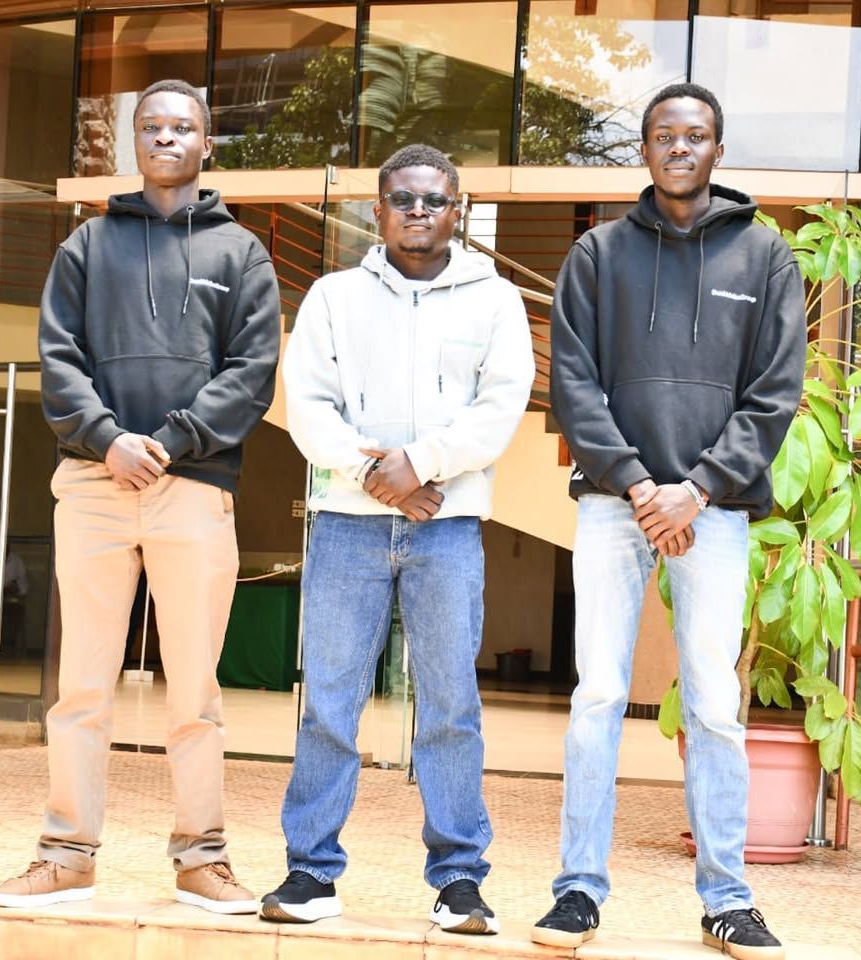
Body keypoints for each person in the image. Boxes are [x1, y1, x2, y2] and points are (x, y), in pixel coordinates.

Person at [0, 78, 281, 912]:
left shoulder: (242, 253)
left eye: (179, 126)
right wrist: (109, 439)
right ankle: (65, 854)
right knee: (82, 685)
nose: (164, 137)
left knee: (194, 693)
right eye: (150, 125)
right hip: (92, 484)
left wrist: (174, 439)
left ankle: (202, 859)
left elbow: (251, 374)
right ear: (135, 143)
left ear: (205, 143)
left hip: (193, 489)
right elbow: (58, 358)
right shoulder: (87, 244)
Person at [532, 83, 805, 959]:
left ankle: (726, 898)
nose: (678, 147)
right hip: (616, 507)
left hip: (714, 513)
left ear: (717, 152)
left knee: (716, 705)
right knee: (598, 696)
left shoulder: (765, 257)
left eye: (695, 136)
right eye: (662, 135)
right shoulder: (597, 254)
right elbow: (572, 383)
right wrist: (643, 486)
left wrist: (696, 489)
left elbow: (774, 395)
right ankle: (576, 892)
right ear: (643, 150)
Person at [263, 144, 534, 934]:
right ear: (375, 209)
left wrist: (423, 464)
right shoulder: (332, 297)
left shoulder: (496, 300)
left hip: (446, 531)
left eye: (434, 199)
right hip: (346, 528)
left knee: (450, 707)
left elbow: (498, 407)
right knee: (329, 704)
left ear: (460, 209)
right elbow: (307, 406)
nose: (418, 211)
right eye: (402, 199)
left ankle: (457, 881)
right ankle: (311, 873)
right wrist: (378, 475)